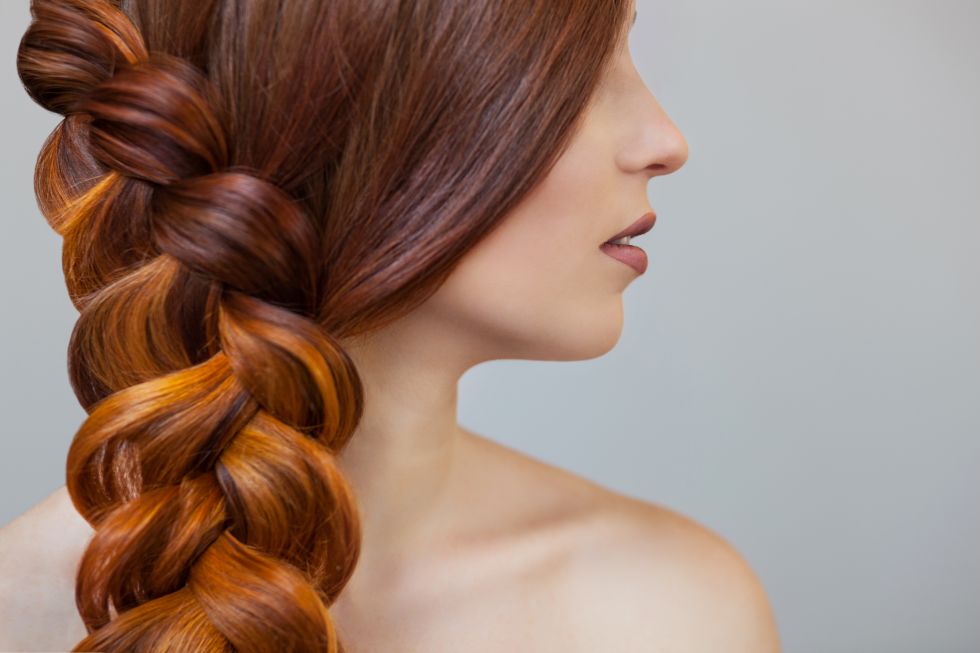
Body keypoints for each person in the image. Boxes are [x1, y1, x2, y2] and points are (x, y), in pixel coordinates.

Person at [0, 0, 781, 650]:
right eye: (580, 77)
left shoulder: (670, 613)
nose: (665, 141)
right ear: (352, 117)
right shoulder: (21, 611)